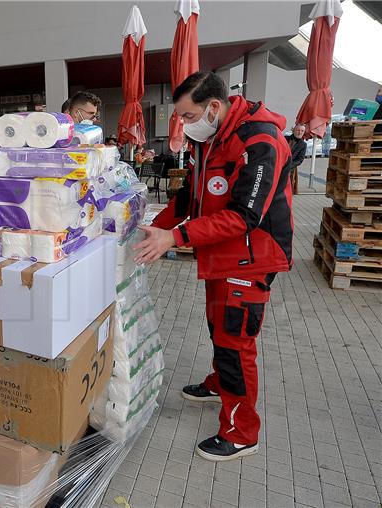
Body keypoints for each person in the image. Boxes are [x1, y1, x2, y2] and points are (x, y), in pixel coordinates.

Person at [135, 71, 293, 462]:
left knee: (235, 344)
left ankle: (241, 431)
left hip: (251, 255)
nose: (184, 124)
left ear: (214, 107)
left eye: (188, 116)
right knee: (217, 325)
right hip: (219, 252)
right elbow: (190, 198)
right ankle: (219, 382)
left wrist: (175, 238)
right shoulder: (209, 139)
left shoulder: (259, 140)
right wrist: (152, 228)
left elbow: (245, 216)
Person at [286, 124, 307, 194]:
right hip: (278, 165)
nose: (300, 132)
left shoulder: (303, 144)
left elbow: (300, 160)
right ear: (293, 130)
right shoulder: (285, 138)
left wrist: (288, 166)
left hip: (290, 169)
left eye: (302, 131)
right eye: (298, 130)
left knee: (286, 190)